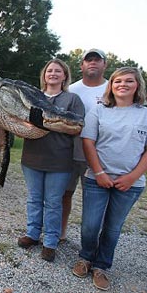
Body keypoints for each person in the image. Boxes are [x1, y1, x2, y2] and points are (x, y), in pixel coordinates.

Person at [72, 67, 147, 290]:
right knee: (90, 226)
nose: (123, 84)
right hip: (97, 179)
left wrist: (132, 177)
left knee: (113, 228)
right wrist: (100, 173)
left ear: (137, 85)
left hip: (130, 184)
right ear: (111, 86)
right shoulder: (98, 111)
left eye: (129, 81)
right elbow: (88, 143)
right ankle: (85, 258)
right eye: (118, 81)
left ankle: (101, 266)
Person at [17, 59, 85, 262]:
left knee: (54, 202)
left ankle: (51, 242)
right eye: (50, 70)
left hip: (60, 161)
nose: (53, 73)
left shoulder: (72, 99)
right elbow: (22, 122)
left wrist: (43, 124)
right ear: (44, 75)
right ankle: (32, 234)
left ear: (65, 76)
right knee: (34, 199)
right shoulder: (33, 97)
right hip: (32, 158)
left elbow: (76, 125)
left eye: (58, 71)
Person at [61, 48, 108, 241]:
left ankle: (90, 241)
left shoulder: (111, 89)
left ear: (105, 65)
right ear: (82, 65)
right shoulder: (72, 90)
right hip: (71, 151)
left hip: (100, 153)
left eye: (98, 60)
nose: (93, 63)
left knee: (94, 200)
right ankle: (60, 233)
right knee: (65, 194)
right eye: (89, 60)